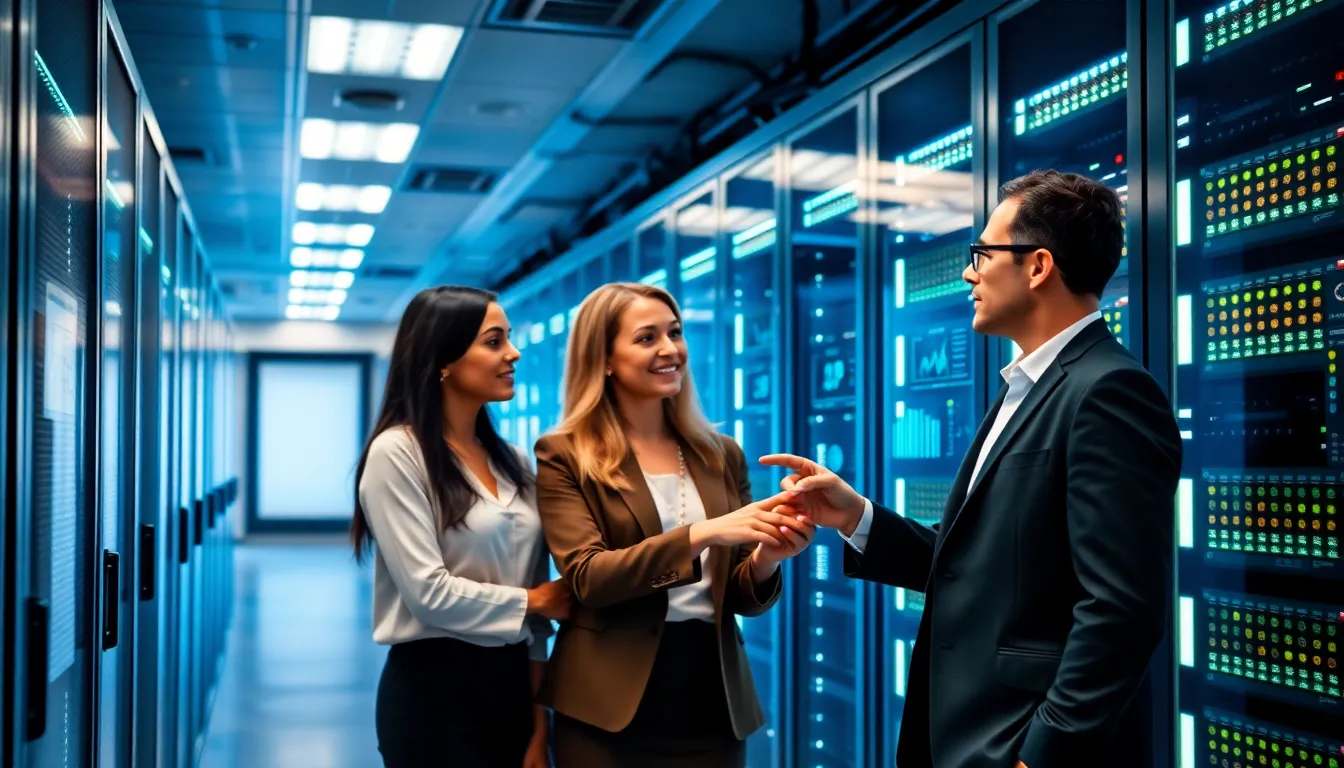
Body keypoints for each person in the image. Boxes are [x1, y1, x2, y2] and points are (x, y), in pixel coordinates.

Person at [764, 170, 1182, 768]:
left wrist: (1043, 752)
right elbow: (978, 570)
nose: (969, 273)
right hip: (971, 733)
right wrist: (855, 516)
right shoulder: (1030, 387)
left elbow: (1121, 608)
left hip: (1017, 741)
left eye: (983, 254)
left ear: (1038, 266)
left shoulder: (1108, 391)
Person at [532, 282, 814, 767]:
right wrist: (708, 532)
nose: (670, 350)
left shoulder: (719, 453)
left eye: (675, 333)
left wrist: (769, 556)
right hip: (605, 706)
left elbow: (741, 597)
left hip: (712, 697)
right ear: (603, 358)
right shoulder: (565, 455)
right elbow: (588, 578)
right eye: (647, 338)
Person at [351, 286, 573, 768]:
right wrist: (535, 600)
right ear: (442, 359)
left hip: (513, 690)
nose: (513, 352)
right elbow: (426, 593)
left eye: (508, 339)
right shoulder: (398, 454)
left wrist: (539, 727)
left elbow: (535, 621)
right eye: (493, 341)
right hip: (433, 695)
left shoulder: (514, 462)